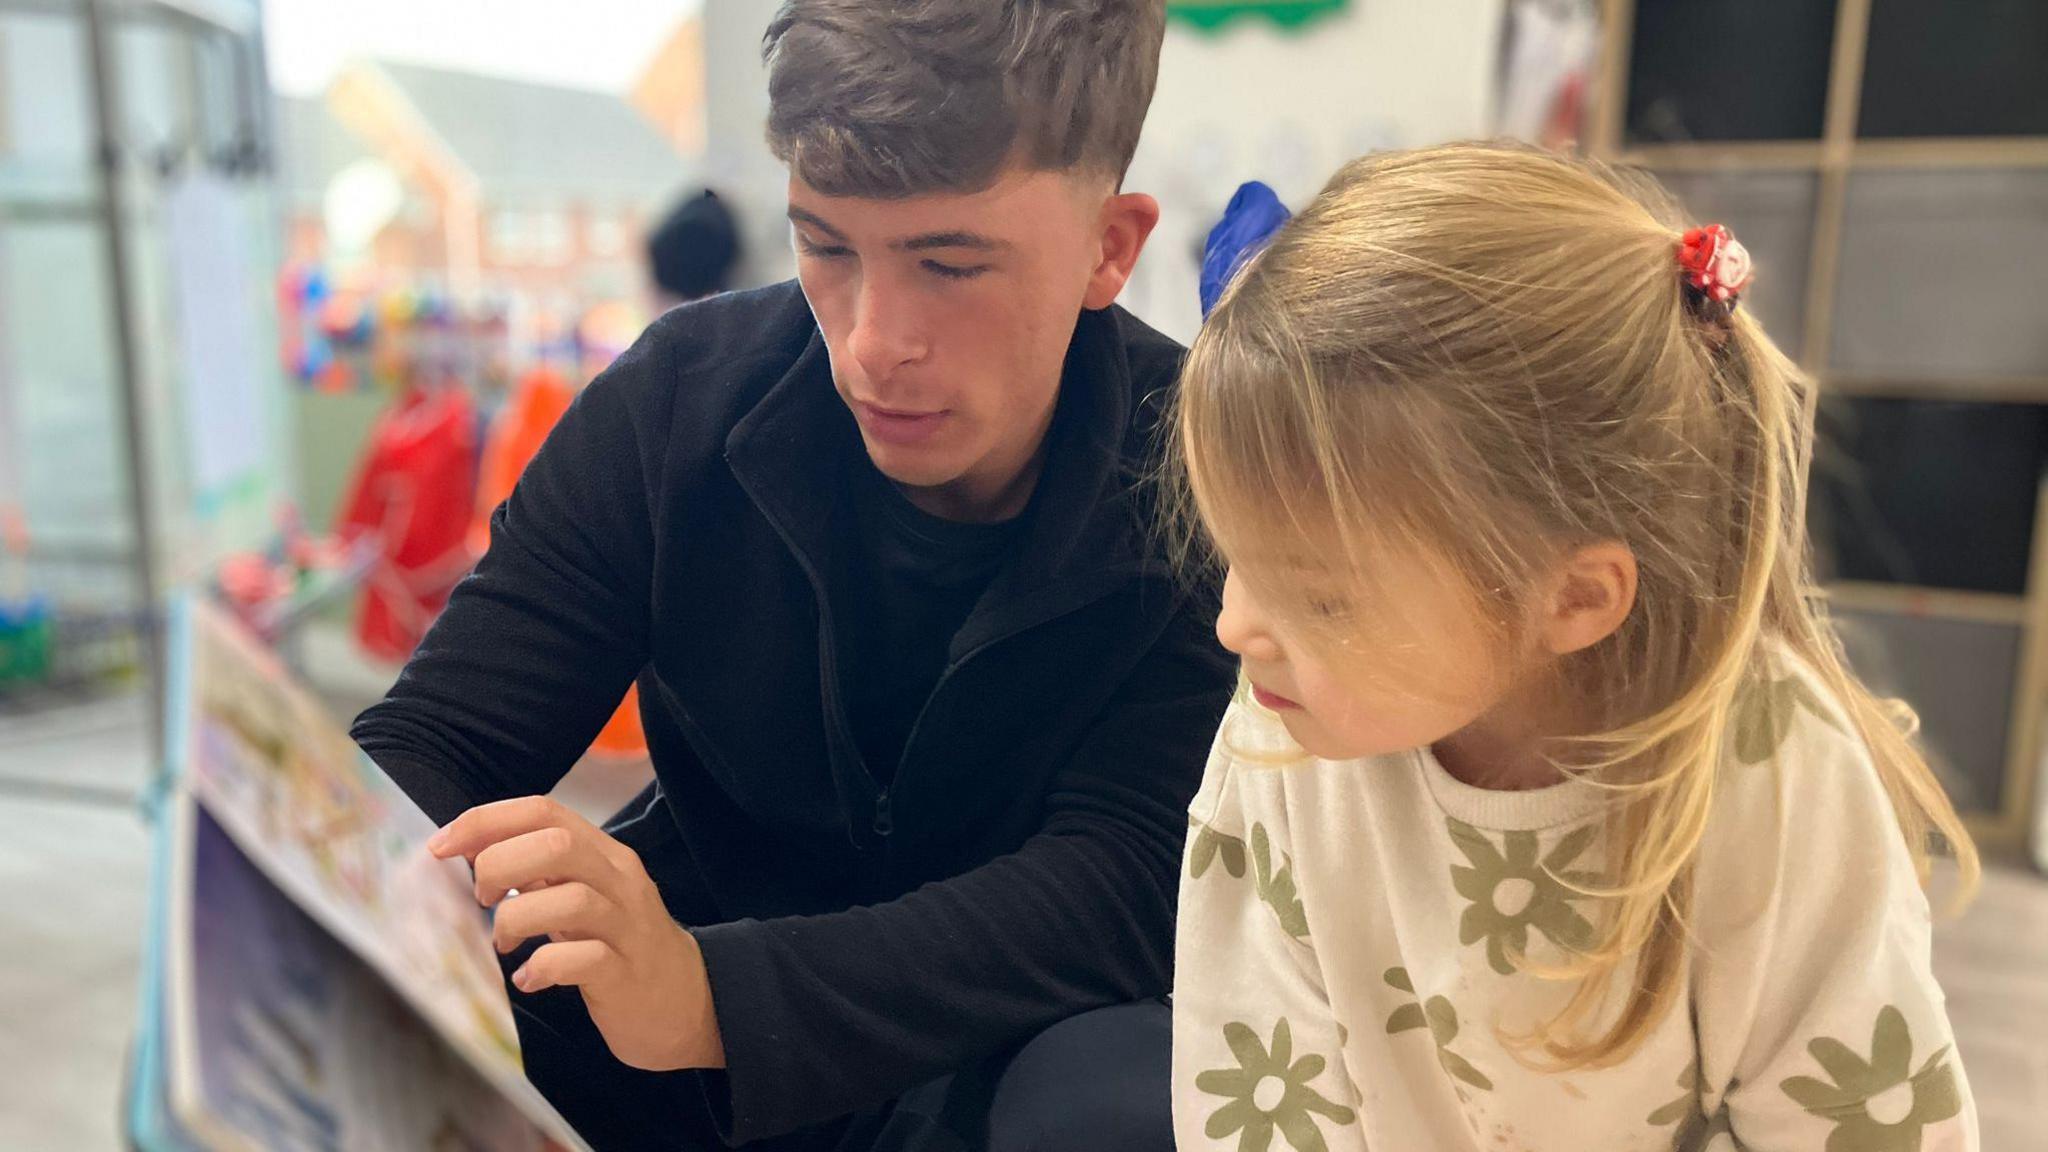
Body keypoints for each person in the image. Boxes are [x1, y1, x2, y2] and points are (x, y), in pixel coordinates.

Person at [350, 2, 1234, 1149]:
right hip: (662, 1043)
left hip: (1004, 1052)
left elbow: (1120, 886)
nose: (872, 342)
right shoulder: (677, 400)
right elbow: (434, 745)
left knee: (1124, 1096)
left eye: (950, 264)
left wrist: (715, 998)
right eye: (824, 246)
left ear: (1109, 248)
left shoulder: (1205, 468)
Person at [1166, 142, 1981, 1151]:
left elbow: (1855, 1121)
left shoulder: (1768, 761)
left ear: (1572, 599)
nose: (1234, 627)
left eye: (1320, 600)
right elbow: (1250, 1094)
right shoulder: (1285, 725)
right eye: (1236, 562)